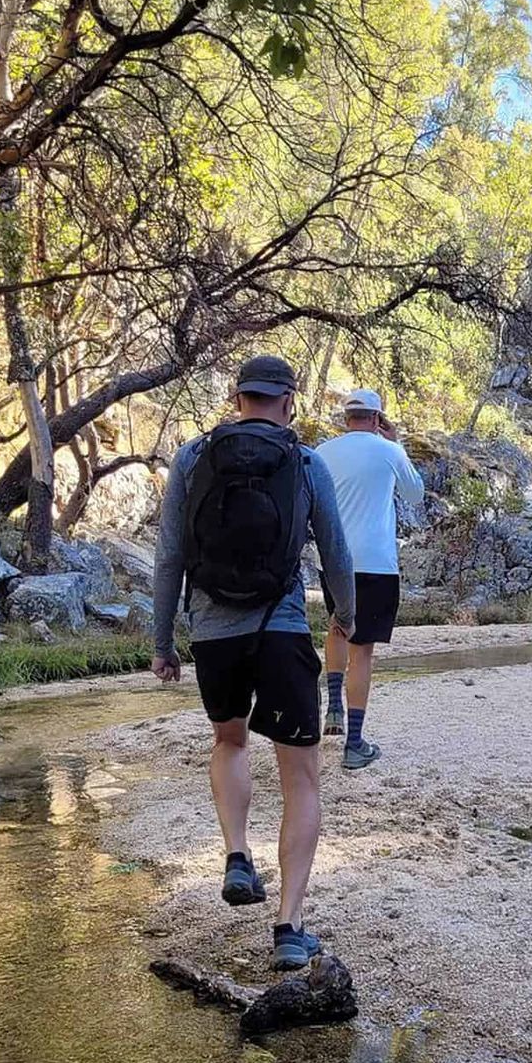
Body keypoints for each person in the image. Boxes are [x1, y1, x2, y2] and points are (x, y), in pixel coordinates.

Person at [150, 354, 356, 972]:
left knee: (230, 742)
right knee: (302, 777)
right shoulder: (305, 460)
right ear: (288, 399)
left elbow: (169, 558)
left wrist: (163, 642)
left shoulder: (192, 458)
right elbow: (336, 551)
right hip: (282, 628)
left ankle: (238, 855)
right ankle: (290, 927)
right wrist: (345, 614)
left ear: (237, 397)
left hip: (214, 634)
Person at [316, 388, 424, 770]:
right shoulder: (390, 451)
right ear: (379, 419)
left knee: (337, 628)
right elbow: (415, 495)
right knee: (362, 651)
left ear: (347, 418)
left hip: (334, 560)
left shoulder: (324, 452)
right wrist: (398, 444)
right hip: (377, 561)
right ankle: (355, 743)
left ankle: (332, 707)